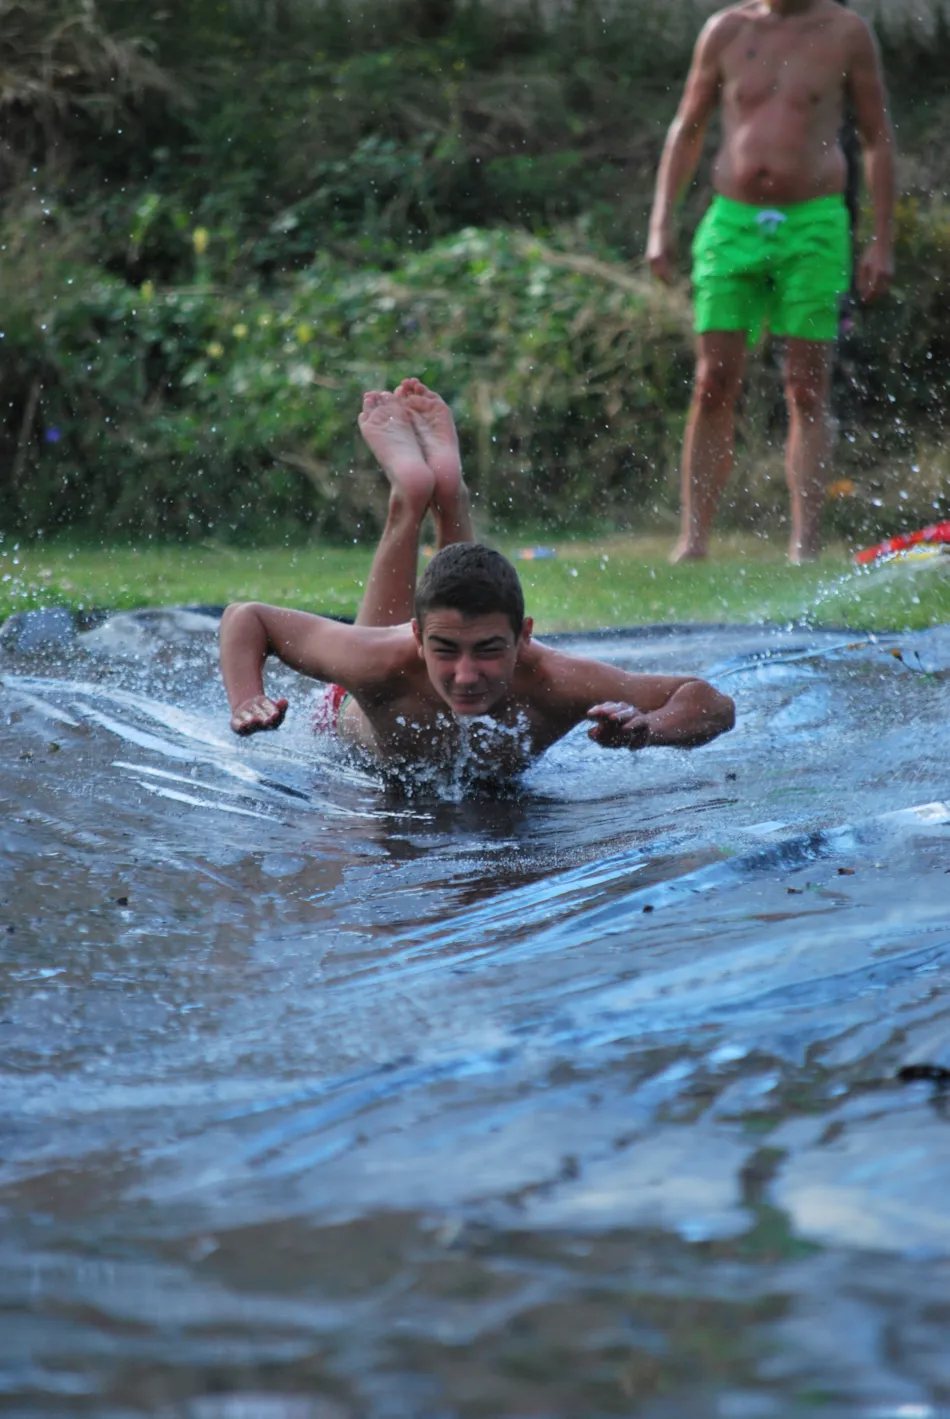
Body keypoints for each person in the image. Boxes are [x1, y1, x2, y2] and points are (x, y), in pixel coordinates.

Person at [219, 379, 735, 789]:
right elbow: (248, 619)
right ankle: (414, 496)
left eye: (488, 650)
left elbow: (711, 702)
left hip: (414, 671)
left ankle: (439, 490)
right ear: (419, 638)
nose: (466, 675)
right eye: (445, 649)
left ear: (525, 637)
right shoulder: (377, 657)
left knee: (449, 595)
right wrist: (247, 698)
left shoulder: (560, 681)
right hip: (356, 715)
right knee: (379, 646)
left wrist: (650, 731)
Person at [647, 0, 895, 564]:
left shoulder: (846, 32)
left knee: (807, 387)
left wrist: (882, 238)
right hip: (731, 223)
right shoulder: (725, 30)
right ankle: (693, 541)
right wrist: (660, 223)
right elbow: (687, 128)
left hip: (814, 223)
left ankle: (804, 544)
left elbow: (878, 139)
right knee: (712, 381)